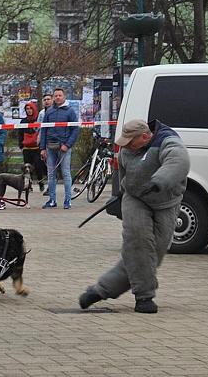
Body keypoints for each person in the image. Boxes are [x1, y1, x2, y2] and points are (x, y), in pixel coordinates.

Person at [79, 119, 190, 314]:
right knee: (137, 242)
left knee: (152, 253)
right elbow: (122, 173)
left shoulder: (167, 141)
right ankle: (144, 297)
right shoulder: (126, 149)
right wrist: (120, 193)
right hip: (135, 198)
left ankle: (101, 290)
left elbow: (179, 161)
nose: (126, 146)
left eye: (131, 142)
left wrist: (159, 181)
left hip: (166, 201)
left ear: (146, 136)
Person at [39, 88, 78, 210]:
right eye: (55, 96)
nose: (57, 98)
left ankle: (68, 200)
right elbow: (44, 129)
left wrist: (68, 144)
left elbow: (75, 129)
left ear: (64, 96)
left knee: (66, 173)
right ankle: (52, 200)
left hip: (64, 147)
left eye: (60, 95)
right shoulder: (49, 112)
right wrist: (42, 148)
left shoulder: (70, 111)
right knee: (51, 175)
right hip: (50, 147)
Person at [19, 100, 44, 192]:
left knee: (38, 166)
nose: (29, 110)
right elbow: (20, 134)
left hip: (36, 148)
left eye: (30, 109)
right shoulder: (23, 121)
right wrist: (21, 146)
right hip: (26, 148)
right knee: (27, 168)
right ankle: (28, 185)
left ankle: (41, 183)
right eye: (27, 109)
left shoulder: (38, 120)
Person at [36, 94, 53, 196]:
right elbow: (38, 127)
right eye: (45, 99)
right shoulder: (42, 113)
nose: (46, 101)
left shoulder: (55, 111)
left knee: (53, 166)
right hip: (44, 141)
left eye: (48, 99)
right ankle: (50, 186)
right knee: (47, 165)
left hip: (54, 141)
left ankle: (52, 186)